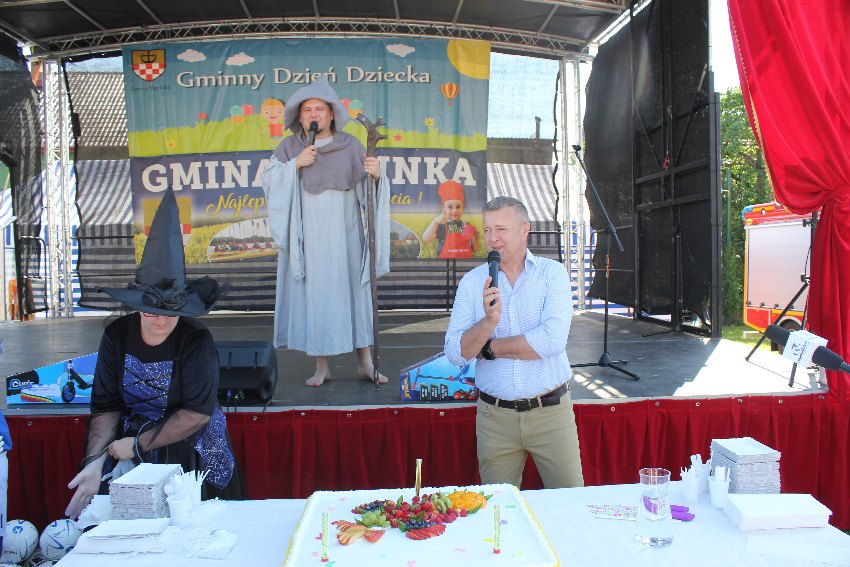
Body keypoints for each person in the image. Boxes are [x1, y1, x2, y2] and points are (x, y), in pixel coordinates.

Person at [65, 186, 245, 519]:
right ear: (137, 307)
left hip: (193, 446)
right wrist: (95, 462)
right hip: (131, 447)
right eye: (150, 312)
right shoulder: (117, 336)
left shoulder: (196, 340)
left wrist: (137, 444)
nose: (160, 320)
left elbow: (197, 413)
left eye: (169, 313)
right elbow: (106, 405)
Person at [444, 196, 584, 488]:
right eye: (487, 230)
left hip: (551, 414)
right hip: (494, 418)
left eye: (501, 229)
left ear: (524, 229)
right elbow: (455, 354)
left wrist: (489, 348)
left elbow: (551, 342)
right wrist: (488, 322)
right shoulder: (472, 282)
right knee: (498, 508)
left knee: (570, 501)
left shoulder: (552, 274)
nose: (492, 238)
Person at [261, 78, 390, 387]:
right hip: (309, 238)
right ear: (299, 116)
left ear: (332, 114)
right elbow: (270, 182)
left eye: (320, 109)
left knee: (355, 294)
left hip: (346, 237)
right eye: (307, 110)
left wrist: (376, 177)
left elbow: (368, 192)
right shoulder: (289, 147)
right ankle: (322, 366)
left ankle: (365, 363)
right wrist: (294, 164)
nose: (314, 114)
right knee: (316, 297)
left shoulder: (350, 145)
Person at [422, 179, 479, 259]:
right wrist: (435, 222)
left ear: (463, 207)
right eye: (450, 207)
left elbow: (475, 249)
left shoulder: (466, 226)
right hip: (444, 263)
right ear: (443, 207)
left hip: (464, 263)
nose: (454, 211)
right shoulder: (441, 226)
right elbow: (426, 239)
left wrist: (475, 237)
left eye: (458, 207)